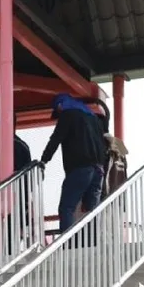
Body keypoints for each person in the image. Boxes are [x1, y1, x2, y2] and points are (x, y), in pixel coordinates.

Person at [40, 92, 107, 234]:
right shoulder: (94, 119)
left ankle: (68, 242)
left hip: (80, 167)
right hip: (98, 169)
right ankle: (94, 241)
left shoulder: (67, 115)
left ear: (60, 105)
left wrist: (44, 160)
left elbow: (55, 139)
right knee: (92, 209)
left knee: (67, 207)